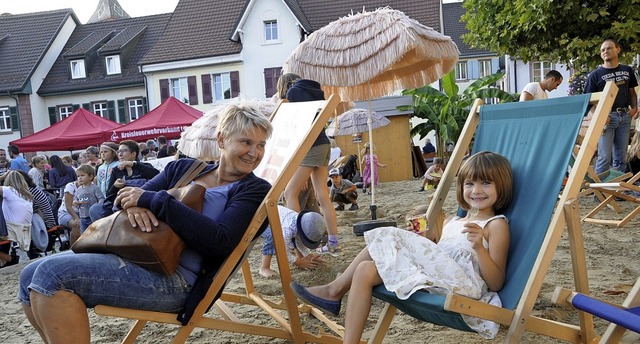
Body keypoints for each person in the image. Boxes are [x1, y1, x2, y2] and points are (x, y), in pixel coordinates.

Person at [18, 103, 273, 343]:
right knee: (27, 275)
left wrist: (154, 200)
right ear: (221, 140)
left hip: (178, 281)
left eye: (261, 145)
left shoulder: (253, 190)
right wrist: (137, 202)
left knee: (52, 275)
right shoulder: (184, 169)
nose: (254, 153)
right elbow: (120, 201)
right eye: (246, 142)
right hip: (136, 255)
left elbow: (220, 241)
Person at [290, 151, 513, 342]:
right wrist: (425, 240)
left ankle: (334, 291)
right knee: (365, 269)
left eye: (486, 183)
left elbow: (495, 282)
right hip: (437, 278)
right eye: (470, 183)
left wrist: (480, 249)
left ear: (500, 186)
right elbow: (440, 255)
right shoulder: (452, 221)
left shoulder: (495, 225)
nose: (476, 190)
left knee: (386, 234)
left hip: (463, 287)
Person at [279, 73, 341, 255]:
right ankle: (334, 243)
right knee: (323, 195)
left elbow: (294, 127)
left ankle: (299, 242)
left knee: (290, 192)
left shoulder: (293, 95)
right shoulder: (312, 92)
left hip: (309, 146)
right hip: (322, 143)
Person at [584, 38, 638, 174]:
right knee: (604, 157)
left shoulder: (627, 70)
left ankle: (617, 192)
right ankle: (600, 193)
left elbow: (632, 92)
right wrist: (600, 116)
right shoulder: (595, 75)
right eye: (602, 50)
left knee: (621, 158)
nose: (605, 51)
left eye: (608, 48)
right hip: (607, 118)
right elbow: (588, 100)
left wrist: (635, 108)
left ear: (617, 49)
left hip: (624, 117)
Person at [91, 140, 159, 221]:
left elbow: (157, 175)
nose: (120, 154)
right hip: (122, 205)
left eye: (124, 151)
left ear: (133, 154)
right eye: (119, 151)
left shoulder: (144, 166)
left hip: (142, 202)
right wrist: (115, 186)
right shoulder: (116, 170)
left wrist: (134, 164)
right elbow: (109, 194)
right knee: (95, 209)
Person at [258, 206, 326, 278]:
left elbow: (299, 241)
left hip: (271, 218)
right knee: (273, 236)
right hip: (259, 220)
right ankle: (264, 267)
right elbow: (283, 251)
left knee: (291, 237)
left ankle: (303, 258)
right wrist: (297, 262)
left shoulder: (300, 222)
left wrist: (308, 254)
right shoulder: (287, 230)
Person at [1, 171, 34, 255]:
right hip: (24, 229)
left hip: (12, 230)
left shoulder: (8, 190)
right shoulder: (27, 195)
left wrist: (1, 177)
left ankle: (9, 259)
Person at [73, 165, 104, 233]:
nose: (80, 178)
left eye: (82, 175)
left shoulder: (95, 188)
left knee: (94, 233)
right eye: (78, 176)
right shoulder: (78, 190)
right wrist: (75, 203)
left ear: (90, 176)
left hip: (92, 217)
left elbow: (101, 199)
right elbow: (76, 200)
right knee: (84, 235)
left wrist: (97, 205)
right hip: (82, 217)